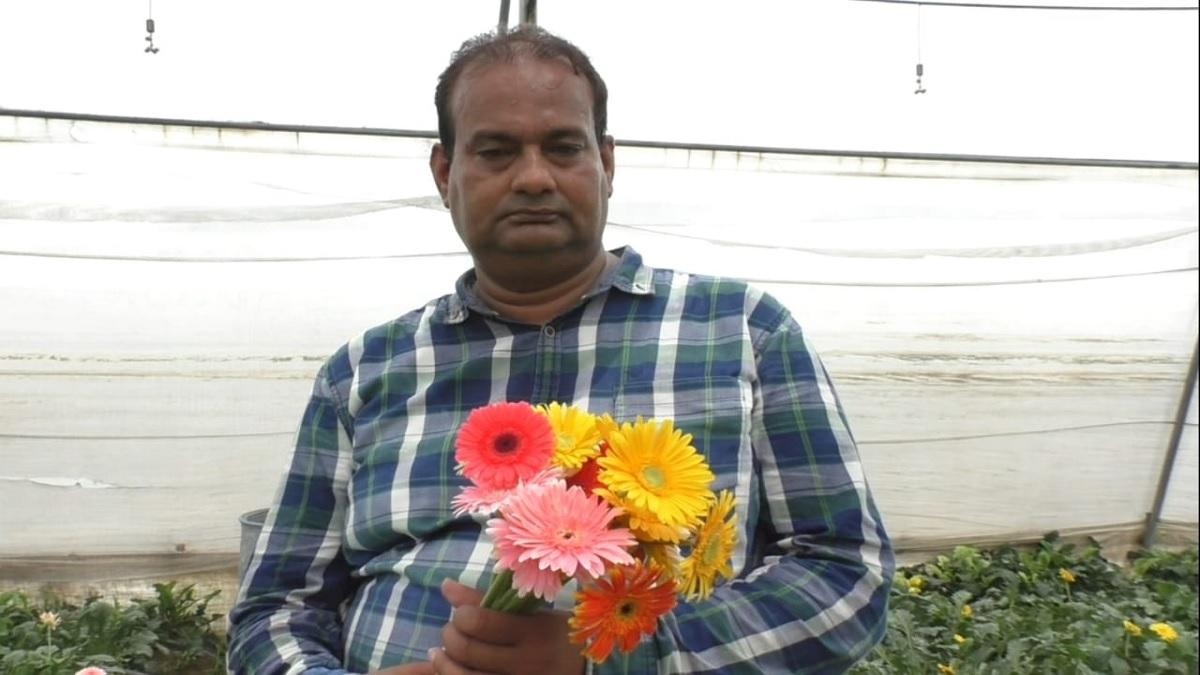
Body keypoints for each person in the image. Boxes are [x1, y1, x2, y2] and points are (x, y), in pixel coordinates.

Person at [228, 26, 893, 675]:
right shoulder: (366, 372)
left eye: (563, 147)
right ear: (443, 172)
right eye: (495, 151)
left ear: (606, 163)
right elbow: (274, 607)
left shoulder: (741, 331)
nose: (534, 177)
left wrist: (617, 657)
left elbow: (843, 572)